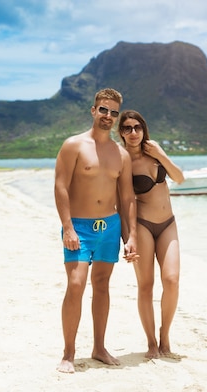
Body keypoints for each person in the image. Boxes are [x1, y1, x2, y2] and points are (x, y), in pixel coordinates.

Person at [54, 88, 138, 373]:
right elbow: (61, 187)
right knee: (76, 284)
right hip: (79, 227)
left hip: (110, 227)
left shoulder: (121, 154)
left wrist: (131, 236)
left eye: (114, 112)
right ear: (93, 111)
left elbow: (127, 198)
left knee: (102, 285)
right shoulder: (73, 146)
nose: (109, 116)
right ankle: (68, 353)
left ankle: (99, 348)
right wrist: (67, 228)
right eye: (104, 110)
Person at [117, 110, 184, 359]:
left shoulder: (154, 152)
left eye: (137, 127)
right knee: (146, 285)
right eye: (127, 128)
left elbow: (180, 178)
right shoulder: (122, 161)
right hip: (142, 225)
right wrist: (128, 239)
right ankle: (151, 342)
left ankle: (165, 334)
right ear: (121, 133)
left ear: (144, 129)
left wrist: (161, 155)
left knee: (172, 280)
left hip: (168, 224)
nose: (133, 132)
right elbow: (123, 203)